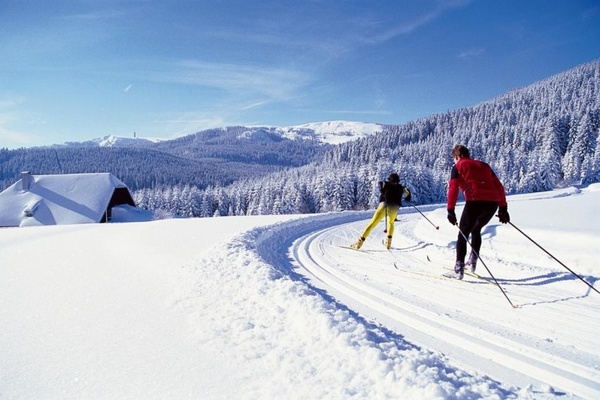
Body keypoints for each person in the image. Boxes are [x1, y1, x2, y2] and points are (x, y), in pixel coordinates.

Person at [447, 144, 510, 279]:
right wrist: (503, 208)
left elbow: (453, 188)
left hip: (474, 203)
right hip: (492, 204)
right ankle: (472, 261)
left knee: (463, 235)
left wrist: (450, 210)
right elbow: (499, 186)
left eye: (454, 158)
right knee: (476, 230)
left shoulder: (457, 167)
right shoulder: (484, 166)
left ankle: (458, 269)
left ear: (457, 157)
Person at [351, 173, 411, 250]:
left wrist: (383, 189)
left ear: (389, 179)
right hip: (394, 207)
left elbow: (380, 183)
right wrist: (408, 197)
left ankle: (359, 242)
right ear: (398, 181)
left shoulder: (386, 184)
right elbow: (408, 192)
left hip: (384, 205)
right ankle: (388, 243)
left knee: (372, 223)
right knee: (391, 223)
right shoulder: (401, 188)